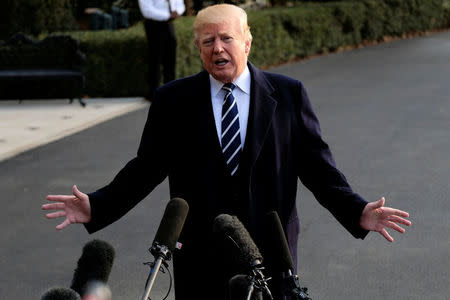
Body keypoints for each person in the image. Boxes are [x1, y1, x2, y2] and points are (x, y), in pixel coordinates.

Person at [43, 4, 411, 300]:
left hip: (269, 253)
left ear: (247, 42)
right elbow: (146, 168)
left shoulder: (287, 95)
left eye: (226, 38)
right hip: (200, 256)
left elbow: (319, 169)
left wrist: (357, 210)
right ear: (197, 49)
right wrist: (98, 204)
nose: (217, 48)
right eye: (207, 41)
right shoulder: (174, 100)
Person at [138, 0, 185, 100]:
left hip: (168, 24)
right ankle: (153, 93)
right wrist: (167, 15)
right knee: (155, 59)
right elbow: (147, 11)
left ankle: (170, 90)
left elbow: (180, 4)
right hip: (153, 25)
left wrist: (177, 12)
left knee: (170, 59)